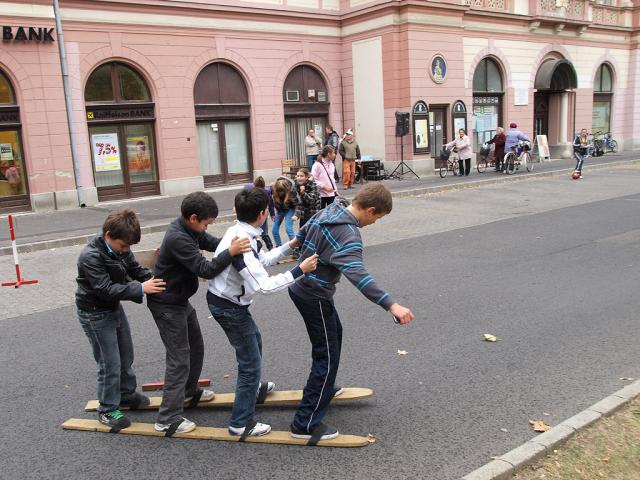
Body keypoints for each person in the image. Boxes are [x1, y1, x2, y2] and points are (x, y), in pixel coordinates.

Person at [288, 183, 415, 441]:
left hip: (303, 289)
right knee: (327, 355)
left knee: (335, 335)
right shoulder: (347, 234)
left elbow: (300, 236)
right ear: (370, 210)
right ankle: (305, 423)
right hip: (314, 295)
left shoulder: (331, 209)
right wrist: (392, 304)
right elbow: (359, 276)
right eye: (377, 218)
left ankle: (324, 388)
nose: (374, 223)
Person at [207, 188, 319, 437]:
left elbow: (262, 261)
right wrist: (300, 270)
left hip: (228, 302)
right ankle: (241, 423)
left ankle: (254, 391)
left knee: (254, 341)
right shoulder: (244, 243)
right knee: (250, 364)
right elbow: (264, 286)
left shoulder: (241, 232)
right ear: (263, 213)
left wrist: (291, 245)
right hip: (228, 306)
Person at [147, 192, 251, 435]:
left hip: (179, 300)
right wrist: (231, 252)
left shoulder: (189, 229)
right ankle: (167, 418)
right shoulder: (178, 238)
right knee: (179, 359)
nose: (206, 228)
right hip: (166, 305)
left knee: (196, 347)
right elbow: (206, 269)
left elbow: (213, 244)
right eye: (205, 223)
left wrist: (233, 242)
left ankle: (188, 392)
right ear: (193, 218)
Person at [75, 209, 167, 430]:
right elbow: (105, 290)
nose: (126, 250)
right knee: (110, 363)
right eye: (123, 246)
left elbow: (135, 269)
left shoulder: (120, 249)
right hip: (94, 312)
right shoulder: (90, 257)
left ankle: (125, 394)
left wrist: (154, 280)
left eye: (129, 247)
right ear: (108, 236)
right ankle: (107, 409)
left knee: (126, 355)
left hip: (112, 308)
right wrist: (141, 288)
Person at [244, 176, 275, 250]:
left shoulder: (266, 192)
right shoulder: (251, 190)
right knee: (260, 233)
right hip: (259, 214)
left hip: (260, 214)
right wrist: (272, 214)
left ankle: (270, 248)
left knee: (262, 233)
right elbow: (271, 204)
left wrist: (272, 214)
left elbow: (270, 204)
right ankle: (266, 249)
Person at [271, 176, 299, 247]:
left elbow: (298, 205)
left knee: (288, 229)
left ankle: (295, 248)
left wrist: (296, 215)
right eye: (278, 191)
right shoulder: (273, 189)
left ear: (286, 189)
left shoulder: (292, 191)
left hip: (290, 209)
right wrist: (272, 214)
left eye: (282, 191)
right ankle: (279, 246)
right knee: (274, 230)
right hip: (280, 209)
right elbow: (270, 201)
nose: (280, 193)